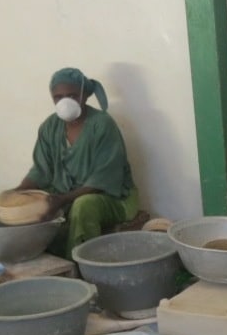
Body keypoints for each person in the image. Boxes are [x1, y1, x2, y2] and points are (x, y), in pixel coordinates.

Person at [14, 67, 138, 258]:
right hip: (66, 196)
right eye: (58, 97)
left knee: (83, 205)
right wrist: (19, 191)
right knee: (32, 205)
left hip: (112, 198)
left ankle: (81, 265)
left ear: (85, 95)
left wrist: (63, 200)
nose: (65, 102)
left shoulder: (102, 124)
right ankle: (48, 264)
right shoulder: (50, 127)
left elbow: (104, 177)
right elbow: (41, 170)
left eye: (72, 95)